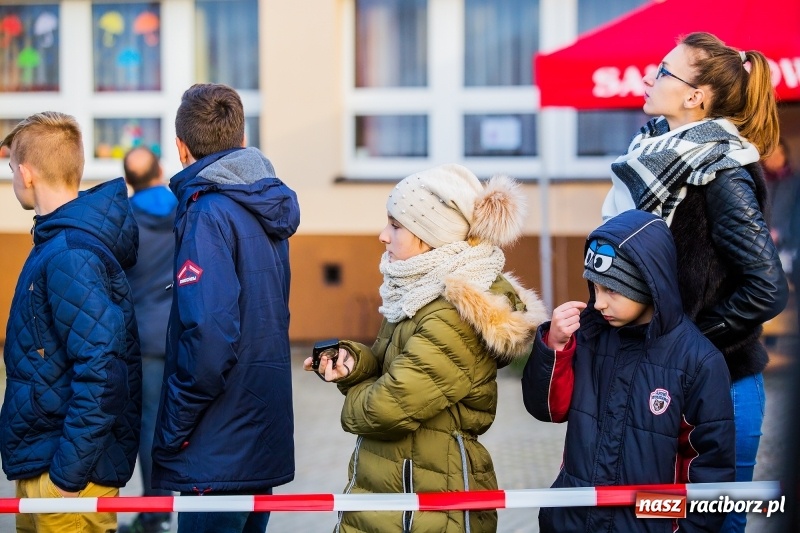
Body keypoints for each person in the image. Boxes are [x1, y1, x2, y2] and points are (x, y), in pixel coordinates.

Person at [600, 32, 788, 532]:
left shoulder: (721, 170)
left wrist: (691, 348)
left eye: (662, 70)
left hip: (720, 386)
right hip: (668, 382)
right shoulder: (655, 157)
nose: (648, 76)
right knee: (658, 518)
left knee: (713, 525)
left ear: (694, 96)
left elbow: (767, 286)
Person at [305, 164, 548, 532]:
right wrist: (354, 364)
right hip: (400, 486)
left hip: (427, 503)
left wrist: (353, 395)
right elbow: (397, 367)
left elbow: (385, 409)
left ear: (430, 235)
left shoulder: (453, 316)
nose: (383, 235)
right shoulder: (419, 292)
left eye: (396, 225)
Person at [522, 209, 735, 532]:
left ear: (651, 283)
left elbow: (708, 466)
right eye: (594, 288)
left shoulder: (698, 361)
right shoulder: (589, 336)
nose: (599, 303)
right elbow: (549, 409)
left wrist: (680, 528)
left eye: (612, 291)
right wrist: (555, 347)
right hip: (576, 519)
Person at [151, 83, 300, 533]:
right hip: (255, 437)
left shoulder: (208, 212)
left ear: (181, 148)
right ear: (240, 140)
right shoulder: (260, 201)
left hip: (216, 449)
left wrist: (173, 427)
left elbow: (210, 340)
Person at [0, 111, 142, 533]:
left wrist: (66, 477)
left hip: (67, 479)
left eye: (10, 170)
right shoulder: (56, 243)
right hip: (48, 467)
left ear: (26, 173)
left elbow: (103, 372)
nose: (11, 179)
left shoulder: (70, 254)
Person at [119, 146, 176, 533]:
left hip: (144, 339)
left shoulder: (124, 218)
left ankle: (155, 512)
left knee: (148, 427)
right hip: (183, 334)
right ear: (161, 171)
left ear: (128, 181)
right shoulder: (185, 208)